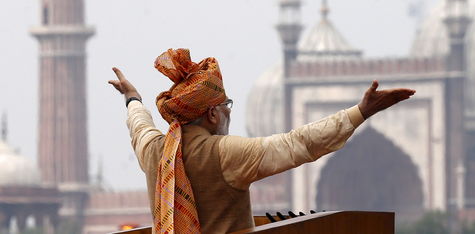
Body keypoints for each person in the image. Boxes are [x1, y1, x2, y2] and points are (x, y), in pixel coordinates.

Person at [108, 48, 415, 234]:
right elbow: (300, 144)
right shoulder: (226, 154)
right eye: (227, 106)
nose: (229, 114)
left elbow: (140, 126)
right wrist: (361, 112)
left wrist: (132, 98)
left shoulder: (155, 153)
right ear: (213, 114)